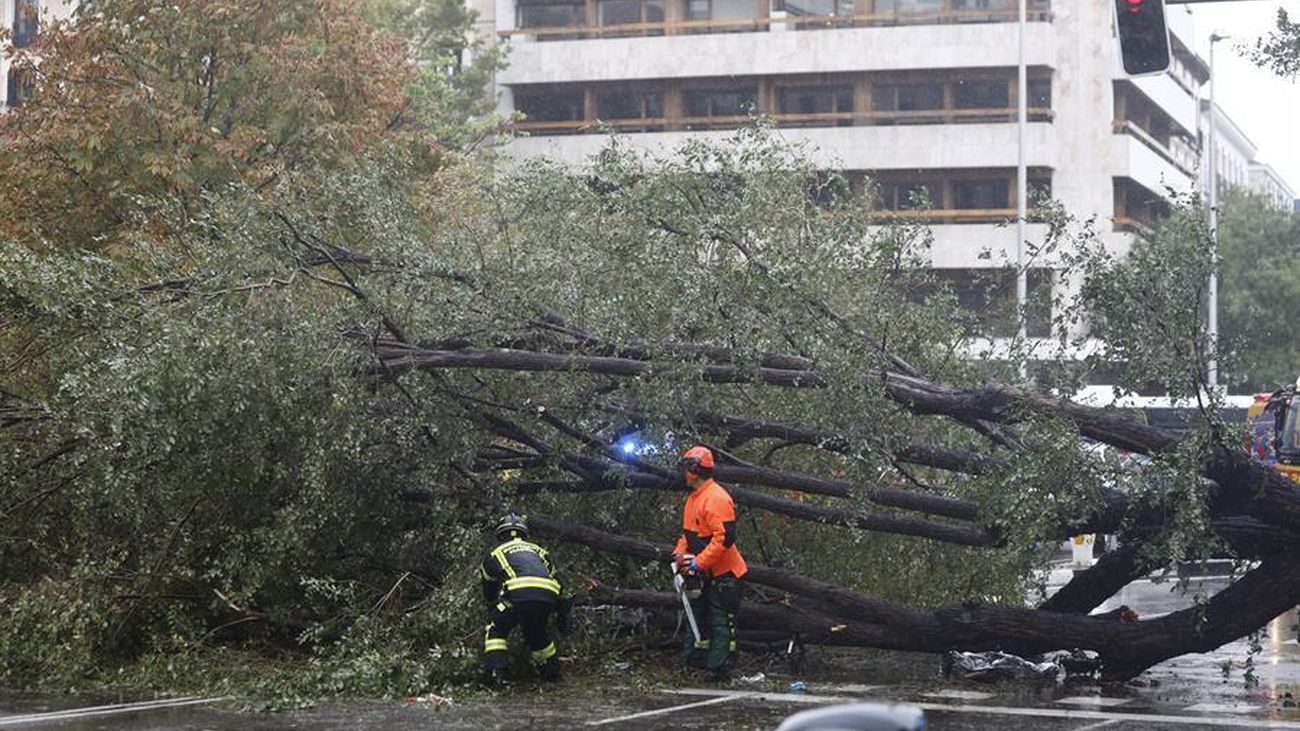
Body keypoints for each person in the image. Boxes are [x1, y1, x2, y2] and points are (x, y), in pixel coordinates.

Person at [672, 445, 747, 679]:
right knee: (699, 616)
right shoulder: (694, 498)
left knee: (720, 620)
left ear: (694, 470)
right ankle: (696, 661)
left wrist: (699, 563)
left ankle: (720, 668)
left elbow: (724, 538)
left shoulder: (716, 498)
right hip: (706, 572)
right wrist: (679, 554)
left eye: (686, 468)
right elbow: (689, 535)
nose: (683, 473)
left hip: (725, 573)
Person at [479, 513, 571, 683]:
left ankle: (498, 675)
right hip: (548, 595)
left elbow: (489, 588)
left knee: (496, 627)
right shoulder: (540, 551)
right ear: (524, 534)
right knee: (536, 632)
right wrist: (563, 615)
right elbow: (559, 581)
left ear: (500, 535)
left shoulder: (495, 554)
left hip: (518, 595)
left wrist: (493, 607)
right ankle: (551, 673)